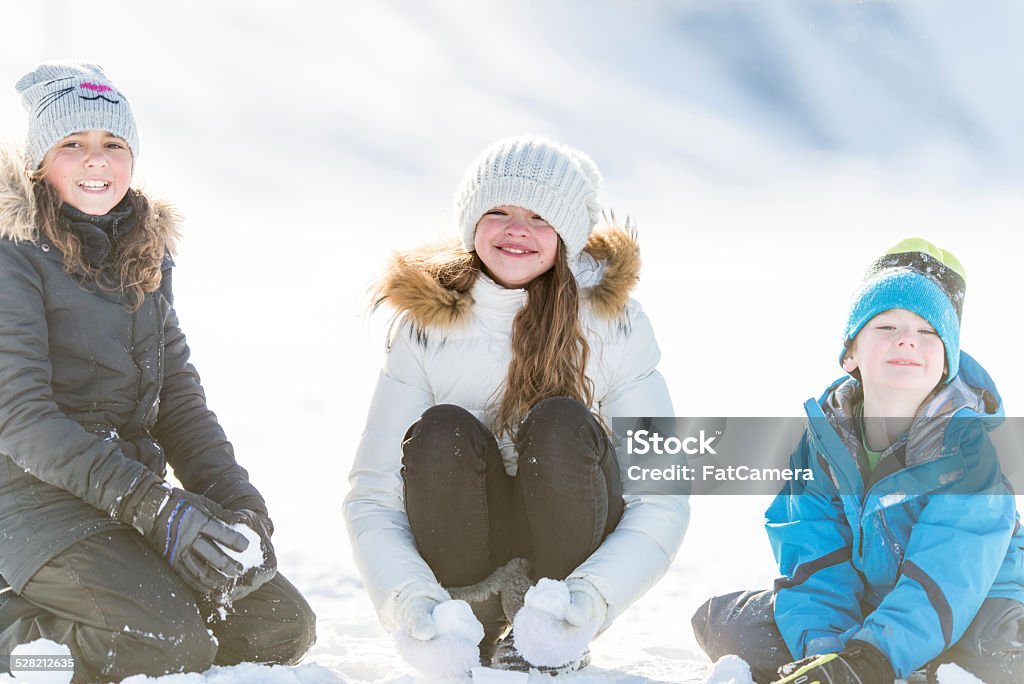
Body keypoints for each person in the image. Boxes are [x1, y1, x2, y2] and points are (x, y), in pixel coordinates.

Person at [0, 61, 315, 682]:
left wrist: (238, 506)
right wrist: (157, 508)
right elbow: (22, 420)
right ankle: (15, 637)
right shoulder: (12, 258)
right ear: (40, 161)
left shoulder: (143, 253)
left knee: (278, 625)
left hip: (123, 498)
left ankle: (133, 600)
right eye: (73, 145)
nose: (97, 161)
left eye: (113, 144)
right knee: (162, 645)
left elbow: (178, 400)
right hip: (30, 502)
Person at [344, 135, 688, 676]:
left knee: (560, 423)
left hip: (570, 542)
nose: (516, 230)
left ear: (567, 235)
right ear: (470, 222)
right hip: (465, 539)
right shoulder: (427, 327)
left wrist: (587, 601)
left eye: (540, 218)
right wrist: (415, 605)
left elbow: (662, 493)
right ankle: (468, 620)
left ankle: (546, 628)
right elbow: (374, 493)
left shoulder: (614, 323)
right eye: (497, 211)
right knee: (441, 431)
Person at [691, 239, 1024, 684]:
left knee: (1003, 652)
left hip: (972, 598)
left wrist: (872, 659)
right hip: (875, 602)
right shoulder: (823, 442)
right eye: (886, 327)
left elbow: (950, 571)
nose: (908, 338)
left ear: (948, 361)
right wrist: (829, 655)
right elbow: (813, 556)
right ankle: (903, 659)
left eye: (928, 332)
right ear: (850, 352)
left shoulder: (966, 451)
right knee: (725, 624)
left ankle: (909, 659)